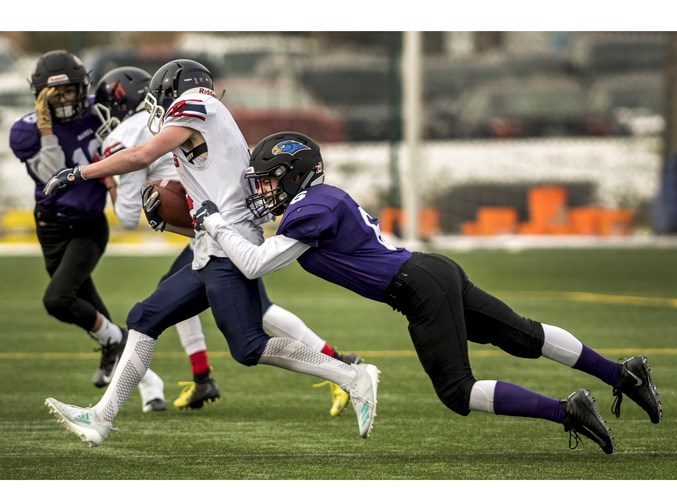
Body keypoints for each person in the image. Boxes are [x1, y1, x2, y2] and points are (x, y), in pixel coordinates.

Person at [190, 131, 663, 455]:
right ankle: (623, 375)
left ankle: (569, 410)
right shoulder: (322, 199)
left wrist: (211, 220)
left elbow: (253, 264)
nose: (265, 191)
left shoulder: (310, 209)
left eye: (271, 180)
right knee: (522, 336)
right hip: (431, 271)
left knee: (458, 393)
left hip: (416, 286)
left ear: (295, 175)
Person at [42, 59, 380, 447]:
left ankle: (352, 376)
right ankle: (100, 417)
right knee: (144, 316)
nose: (157, 109)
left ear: (174, 92)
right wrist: (170, 220)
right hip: (212, 244)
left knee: (249, 346)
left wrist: (77, 173)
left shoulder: (196, 106)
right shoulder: (209, 119)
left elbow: (139, 156)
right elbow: (204, 205)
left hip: (227, 247)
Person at [8, 50, 165, 412]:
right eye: (56, 93)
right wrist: (47, 126)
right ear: (40, 95)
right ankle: (146, 377)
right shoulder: (26, 130)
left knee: (57, 299)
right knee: (90, 309)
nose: (65, 99)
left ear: (83, 87)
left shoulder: (100, 109)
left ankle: (113, 343)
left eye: (70, 91)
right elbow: (51, 176)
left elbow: (133, 133)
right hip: (51, 227)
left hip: (89, 227)